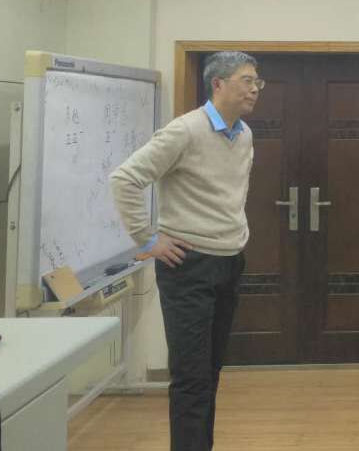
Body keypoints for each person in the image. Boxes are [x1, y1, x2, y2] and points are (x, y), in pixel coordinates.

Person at [111, 51, 261, 451]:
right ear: (218, 84)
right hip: (188, 265)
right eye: (246, 80)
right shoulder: (185, 130)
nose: (254, 89)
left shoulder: (244, 134)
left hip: (230, 261)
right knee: (191, 378)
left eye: (257, 82)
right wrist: (148, 239)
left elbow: (229, 195)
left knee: (210, 372)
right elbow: (125, 179)